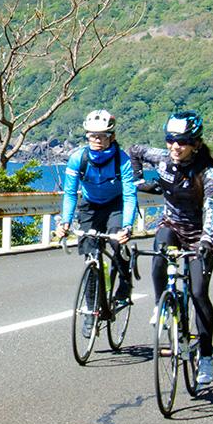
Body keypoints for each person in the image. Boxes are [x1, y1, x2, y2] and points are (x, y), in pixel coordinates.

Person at [129, 110, 213, 385]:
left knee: (198, 293)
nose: (175, 147)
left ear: (196, 144)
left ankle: (205, 358)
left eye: (182, 141)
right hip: (172, 225)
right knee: (159, 249)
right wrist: (138, 182)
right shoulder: (161, 159)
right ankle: (160, 304)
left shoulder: (207, 172)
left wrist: (206, 240)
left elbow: (211, 207)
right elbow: (134, 151)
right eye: (170, 140)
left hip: (198, 234)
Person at [55, 110, 138, 330]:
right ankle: (91, 311)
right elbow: (71, 193)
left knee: (115, 242)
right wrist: (65, 222)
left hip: (115, 205)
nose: (97, 140)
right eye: (92, 135)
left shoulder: (122, 160)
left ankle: (125, 280)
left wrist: (127, 227)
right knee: (90, 256)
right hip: (90, 206)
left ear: (111, 136)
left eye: (101, 136)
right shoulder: (78, 158)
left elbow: (130, 195)